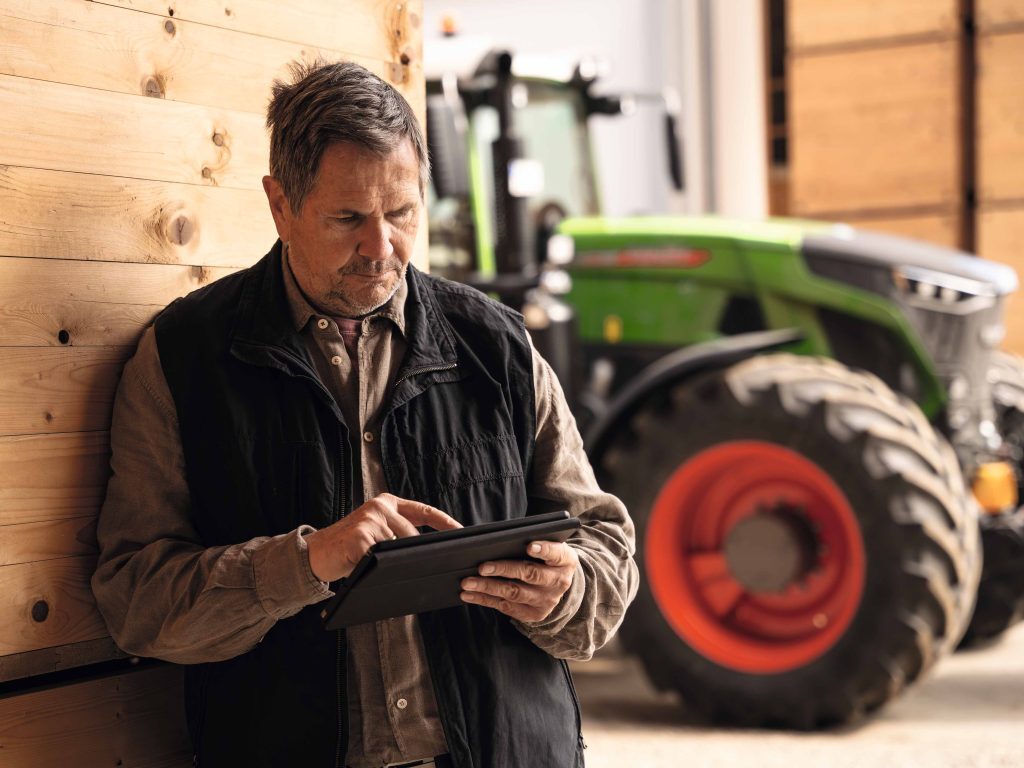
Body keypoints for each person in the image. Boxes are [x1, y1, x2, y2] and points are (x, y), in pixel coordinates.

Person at [92, 60, 637, 768]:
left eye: (403, 213)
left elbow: (606, 547)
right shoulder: (183, 359)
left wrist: (568, 589)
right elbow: (137, 605)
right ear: (280, 204)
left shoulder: (498, 346)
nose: (382, 249)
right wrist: (305, 561)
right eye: (348, 218)